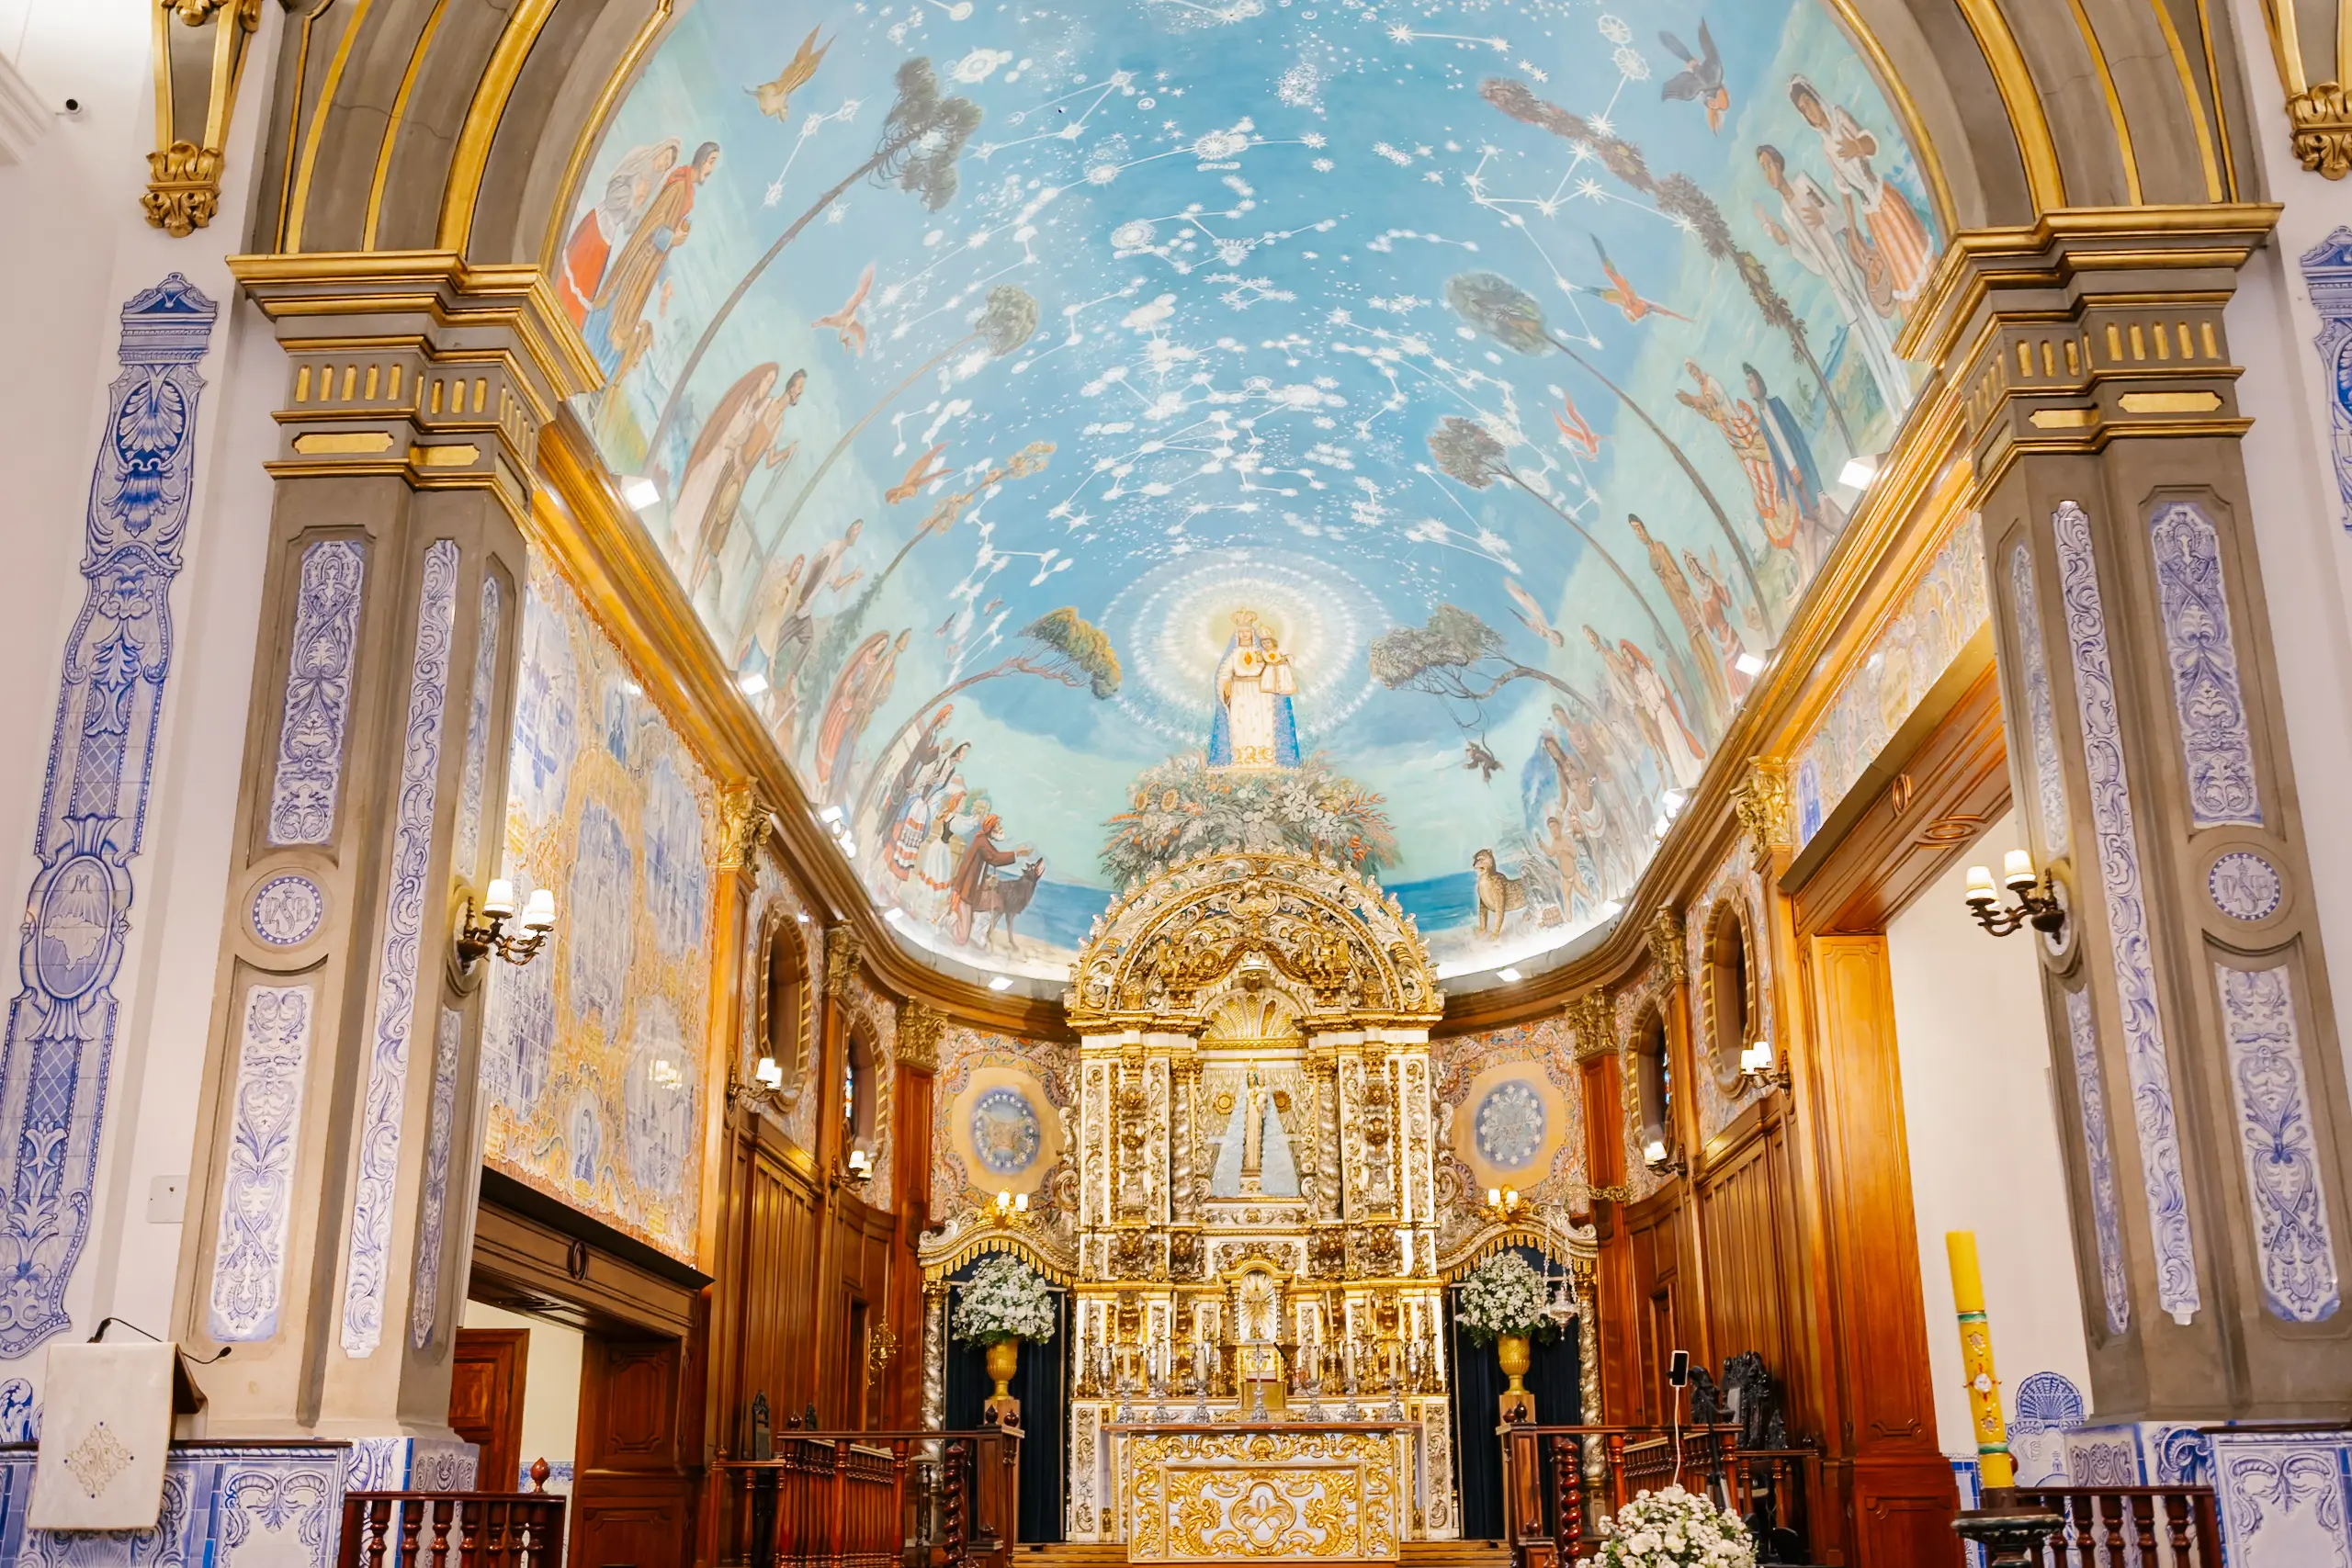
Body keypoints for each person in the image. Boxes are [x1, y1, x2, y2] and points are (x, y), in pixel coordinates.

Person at [1754, 143, 1909, 416]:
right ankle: (1895, 411)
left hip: (1846, 260)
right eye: (1763, 168)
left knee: (1876, 324)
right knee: (1862, 336)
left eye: (1769, 164)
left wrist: (1822, 218)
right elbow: (1813, 261)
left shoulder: (1803, 183)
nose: (1768, 172)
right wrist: (1787, 242)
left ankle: (1906, 390)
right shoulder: (1786, 214)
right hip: (1834, 278)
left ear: (1779, 163)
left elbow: (1837, 216)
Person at [584, 140, 720, 381]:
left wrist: (665, 280)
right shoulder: (679, 187)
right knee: (618, 312)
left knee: (626, 317)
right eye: (711, 161)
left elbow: (664, 239)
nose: (711, 168)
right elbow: (654, 226)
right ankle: (588, 358)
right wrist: (673, 237)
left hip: (647, 268)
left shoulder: (687, 193)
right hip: (638, 264)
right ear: (701, 159)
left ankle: (595, 374)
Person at [1790, 78, 1931, 305]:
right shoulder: (1825, 146)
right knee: (1899, 269)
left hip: (1882, 198)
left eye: (1807, 102)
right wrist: (1853, 229)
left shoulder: (1839, 117)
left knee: (1913, 253)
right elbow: (1844, 190)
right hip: (1870, 214)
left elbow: (1871, 144)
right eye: (1803, 109)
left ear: (1815, 96)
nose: (1809, 111)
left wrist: (1856, 147)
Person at [558, 140, 680, 328]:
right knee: (575, 270)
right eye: (665, 157)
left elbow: (630, 225)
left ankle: (568, 321)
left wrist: (638, 203)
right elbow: (613, 194)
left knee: (588, 280)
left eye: (668, 164)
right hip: (598, 223)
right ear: (661, 149)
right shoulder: (639, 159)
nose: (664, 164)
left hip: (609, 234)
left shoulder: (650, 186)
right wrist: (633, 194)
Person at [1208, 610, 1301, 769]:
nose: (1245, 635)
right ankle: (1241, 762)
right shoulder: (1234, 654)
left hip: (1261, 693)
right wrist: (1225, 685)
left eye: (1247, 632)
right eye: (1241, 633)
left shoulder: (1262, 652)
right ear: (1237, 635)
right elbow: (1224, 673)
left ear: (1253, 634)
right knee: (1241, 725)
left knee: (1263, 724)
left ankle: (1264, 761)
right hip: (1239, 694)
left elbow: (1274, 664)